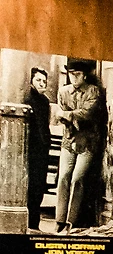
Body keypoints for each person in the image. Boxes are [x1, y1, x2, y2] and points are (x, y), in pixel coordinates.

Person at [54, 59, 105, 231]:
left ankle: (71, 221)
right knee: (63, 177)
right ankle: (59, 220)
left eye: (77, 75)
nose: (74, 78)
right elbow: (60, 115)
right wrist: (70, 116)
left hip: (87, 142)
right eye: (71, 74)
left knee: (77, 179)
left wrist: (67, 115)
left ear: (84, 76)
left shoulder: (93, 91)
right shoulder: (63, 91)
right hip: (69, 140)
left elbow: (87, 114)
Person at [23, 66, 51, 231]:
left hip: (42, 150)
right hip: (31, 150)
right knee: (32, 187)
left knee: (39, 186)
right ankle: (30, 223)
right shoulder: (28, 99)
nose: (42, 84)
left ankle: (34, 224)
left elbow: (44, 127)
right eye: (38, 80)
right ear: (32, 81)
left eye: (44, 81)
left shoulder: (45, 101)